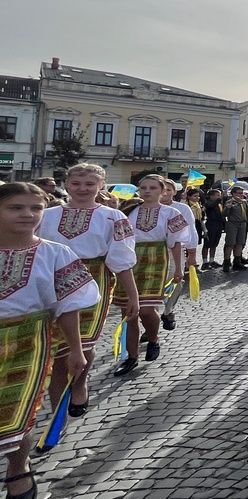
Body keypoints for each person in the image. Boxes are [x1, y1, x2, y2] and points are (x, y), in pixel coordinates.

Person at [0, 182, 100, 499]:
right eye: (16, 207)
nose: (28, 214)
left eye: (36, 208)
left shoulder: (55, 253)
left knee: (16, 413)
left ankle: (18, 468)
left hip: (29, 341)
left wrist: (74, 350)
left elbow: (67, 306)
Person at [36, 164, 139, 420]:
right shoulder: (47, 215)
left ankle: (80, 383)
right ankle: (56, 404)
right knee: (56, 346)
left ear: (100, 186)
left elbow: (122, 260)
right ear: (67, 184)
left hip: (92, 279)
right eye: (76, 184)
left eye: (90, 184)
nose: (82, 189)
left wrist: (132, 296)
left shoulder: (114, 217)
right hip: (52, 279)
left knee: (83, 342)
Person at [114, 175, 186, 376]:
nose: (147, 191)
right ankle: (131, 356)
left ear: (162, 191)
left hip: (156, 259)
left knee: (146, 310)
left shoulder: (170, 212)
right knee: (129, 313)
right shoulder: (129, 211)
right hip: (130, 260)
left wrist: (179, 268)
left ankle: (153, 339)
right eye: (143, 187)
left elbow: (176, 242)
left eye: (152, 188)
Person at [159, 179, 199, 332]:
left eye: (169, 189)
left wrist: (192, 254)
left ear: (174, 192)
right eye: (163, 189)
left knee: (175, 281)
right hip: (153, 252)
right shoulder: (145, 207)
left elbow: (191, 231)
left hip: (175, 251)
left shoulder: (182, 208)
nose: (165, 193)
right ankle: (151, 324)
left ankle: (168, 311)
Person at [222, 186, 248, 273]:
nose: (241, 195)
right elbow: (224, 214)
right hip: (232, 224)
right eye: (239, 193)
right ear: (233, 194)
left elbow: (247, 213)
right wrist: (228, 208)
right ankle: (226, 262)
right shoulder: (230, 202)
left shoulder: (244, 202)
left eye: (242, 193)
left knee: (240, 243)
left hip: (243, 224)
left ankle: (237, 262)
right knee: (230, 243)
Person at [201, 188, 225, 269]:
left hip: (218, 224)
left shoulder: (219, 204)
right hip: (211, 224)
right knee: (207, 244)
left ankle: (212, 260)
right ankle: (205, 262)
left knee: (214, 243)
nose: (219, 197)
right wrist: (219, 199)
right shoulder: (208, 203)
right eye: (217, 195)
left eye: (220, 195)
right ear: (211, 196)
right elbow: (211, 206)